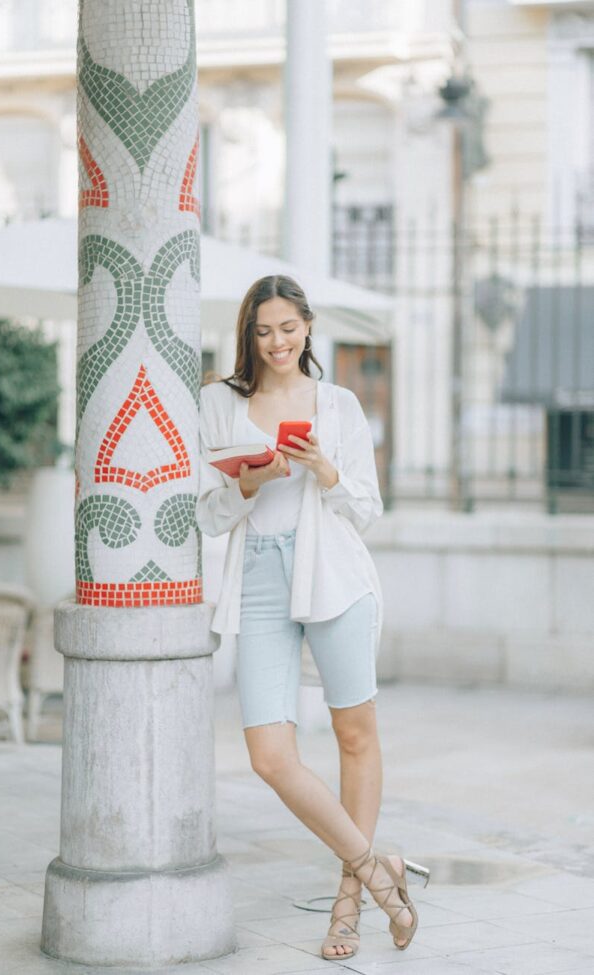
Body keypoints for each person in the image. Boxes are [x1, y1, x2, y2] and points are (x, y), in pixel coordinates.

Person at [196, 275, 418, 960]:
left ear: (308, 327)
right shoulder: (219, 403)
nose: (276, 342)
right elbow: (206, 514)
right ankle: (383, 873)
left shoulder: (340, 405)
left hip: (337, 577)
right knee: (269, 754)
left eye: (287, 328)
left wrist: (324, 469)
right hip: (260, 577)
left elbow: (368, 511)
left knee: (356, 735)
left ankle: (348, 906)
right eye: (263, 331)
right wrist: (249, 481)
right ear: (248, 336)